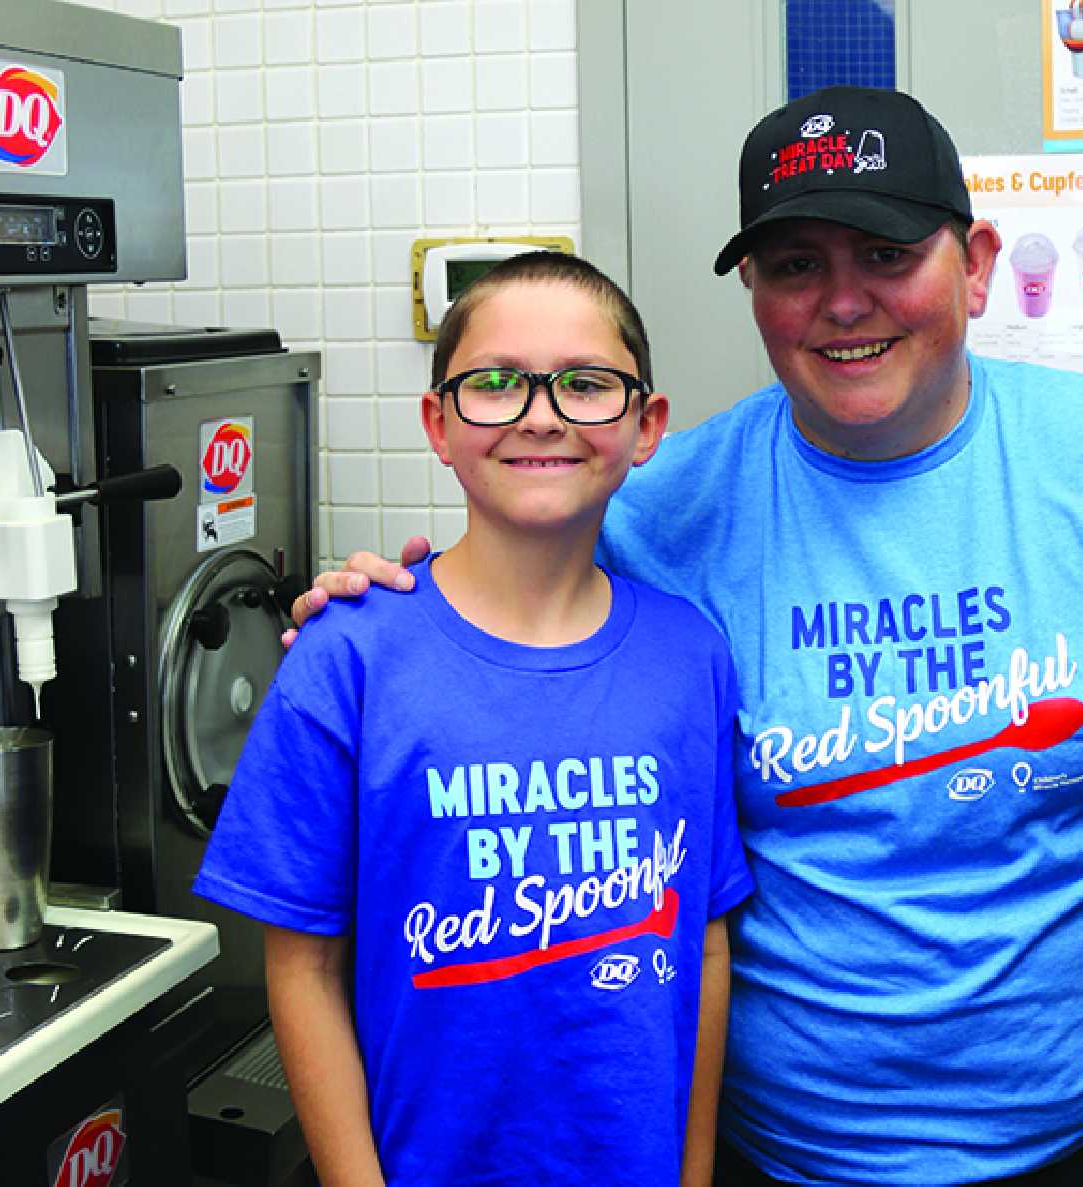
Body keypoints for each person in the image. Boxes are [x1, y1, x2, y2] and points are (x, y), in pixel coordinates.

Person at [292, 88, 1083, 1187]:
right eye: (793, 266)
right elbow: (493, 621)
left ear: (973, 263)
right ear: (753, 291)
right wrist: (380, 606)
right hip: (773, 1156)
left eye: (885, 251)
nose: (841, 301)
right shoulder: (656, 517)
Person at [196, 252, 754, 1187]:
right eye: (494, 384)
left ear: (646, 425)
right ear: (438, 423)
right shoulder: (350, 657)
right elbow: (303, 969)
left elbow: (701, 939)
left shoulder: (689, 653)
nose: (540, 412)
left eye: (586, 383)